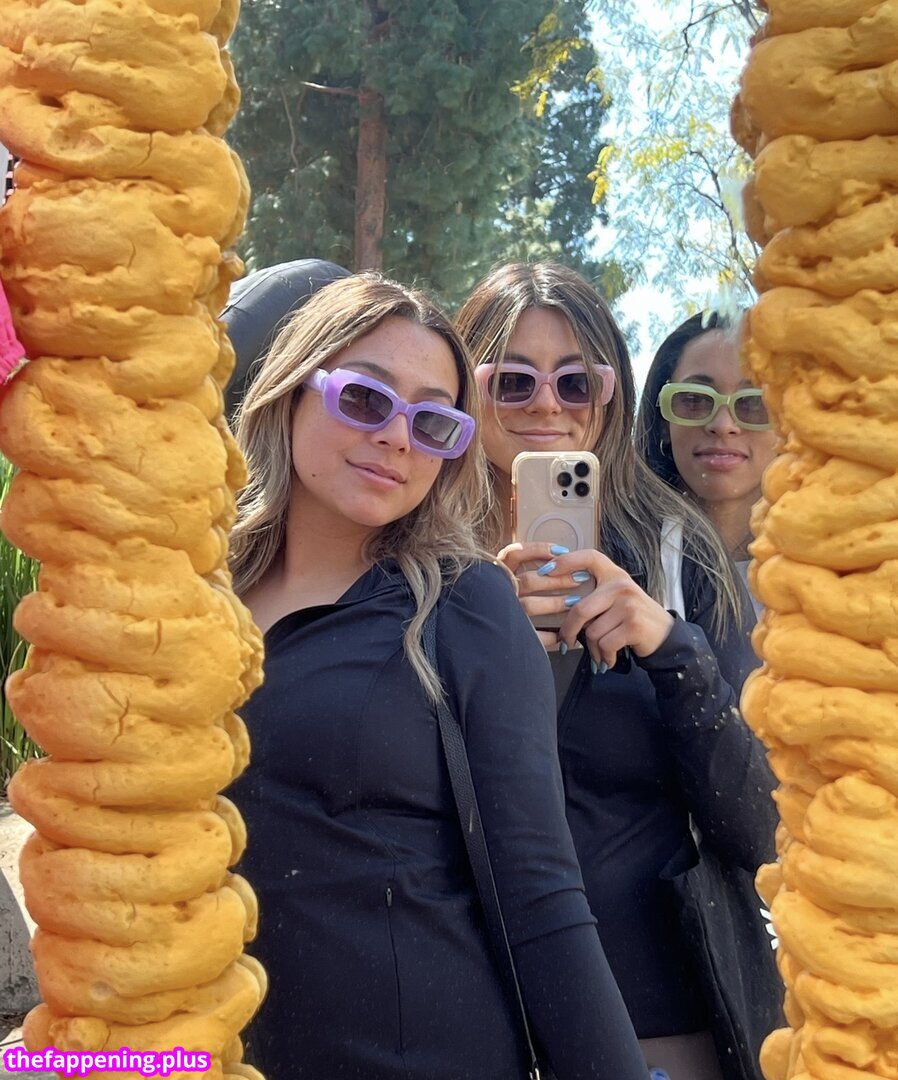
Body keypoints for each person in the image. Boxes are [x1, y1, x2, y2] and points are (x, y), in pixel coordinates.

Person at [228, 271, 648, 1080]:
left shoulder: (464, 605)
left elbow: (542, 895)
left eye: (433, 422)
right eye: (364, 399)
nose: (397, 438)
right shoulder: (194, 599)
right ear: (291, 390)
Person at [455, 263, 782, 1080]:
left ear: (611, 396)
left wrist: (671, 649)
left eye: (577, 382)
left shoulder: (678, 553)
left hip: (658, 1020)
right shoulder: (420, 564)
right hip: (467, 1016)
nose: (548, 406)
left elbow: (762, 828)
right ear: (466, 388)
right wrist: (481, 644)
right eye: (513, 381)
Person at [637, 311, 779, 616]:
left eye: (754, 402)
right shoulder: (618, 561)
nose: (723, 425)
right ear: (663, 423)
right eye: (694, 400)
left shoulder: (852, 565)